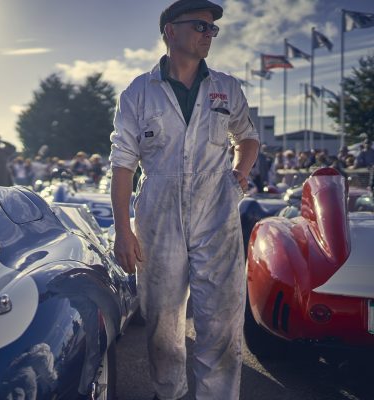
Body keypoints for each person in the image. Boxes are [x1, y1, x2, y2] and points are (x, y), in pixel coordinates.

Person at [109, 1, 259, 399]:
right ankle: (168, 394)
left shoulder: (226, 87)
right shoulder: (139, 92)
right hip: (158, 213)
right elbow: (123, 164)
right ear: (170, 32)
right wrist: (123, 231)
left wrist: (239, 176)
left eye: (213, 30)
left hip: (217, 210)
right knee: (162, 323)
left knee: (222, 321)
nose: (209, 34)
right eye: (200, 26)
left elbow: (248, 136)